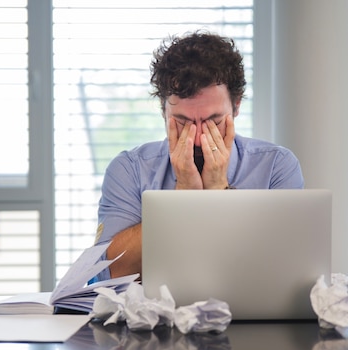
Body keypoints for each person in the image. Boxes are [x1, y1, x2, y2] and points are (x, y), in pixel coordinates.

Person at [94, 31, 304, 280]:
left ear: (236, 106)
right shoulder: (129, 169)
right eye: (182, 121)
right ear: (163, 110)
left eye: (213, 121)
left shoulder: (276, 166)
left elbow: (284, 271)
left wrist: (218, 191)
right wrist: (183, 198)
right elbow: (110, 271)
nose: (196, 138)